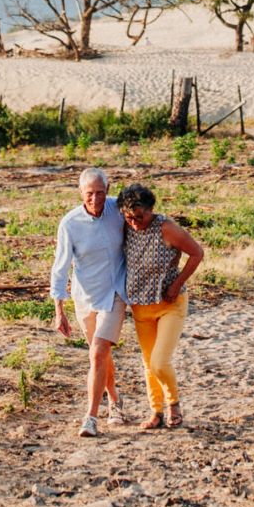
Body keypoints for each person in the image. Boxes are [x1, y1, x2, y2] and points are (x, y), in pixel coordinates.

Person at [117, 184, 204, 429]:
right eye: (129, 217)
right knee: (147, 363)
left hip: (170, 303)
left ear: (151, 210)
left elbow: (197, 253)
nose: (134, 222)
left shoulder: (166, 228)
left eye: (139, 217)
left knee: (159, 361)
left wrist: (178, 283)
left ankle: (173, 403)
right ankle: (156, 412)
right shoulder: (126, 227)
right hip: (140, 306)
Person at [51, 167, 128, 437]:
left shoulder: (119, 210)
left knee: (97, 353)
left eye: (100, 192)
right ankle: (116, 401)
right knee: (101, 355)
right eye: (89, 194)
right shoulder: (70, 223)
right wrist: (59, 310)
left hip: (115, 293)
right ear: (80, 193)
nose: (95, 199)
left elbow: (146, 223)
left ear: (108, 189)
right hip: (85, 297)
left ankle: (91, 418)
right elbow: (60, 268)